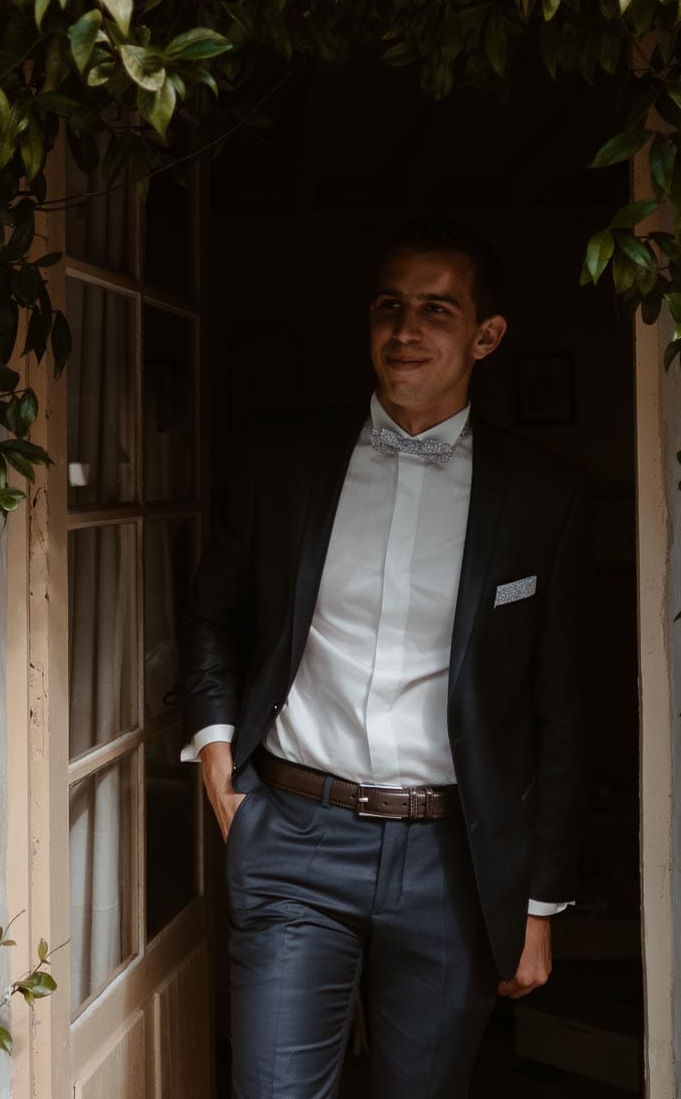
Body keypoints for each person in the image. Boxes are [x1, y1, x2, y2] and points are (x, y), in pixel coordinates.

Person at [178, 217, 593, 1099]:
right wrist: (218, 757)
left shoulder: (542, 495)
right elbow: (214, 612)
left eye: (437, 310)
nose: (406, 330)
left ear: (486, 335)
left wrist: (540, 903)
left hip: (453, 857)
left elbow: (563, 712)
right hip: (293, 833)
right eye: (390, 306)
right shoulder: (282, 459)